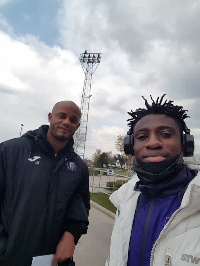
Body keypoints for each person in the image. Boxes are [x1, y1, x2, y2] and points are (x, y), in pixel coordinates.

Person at [106, 94, 200, 266]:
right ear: (130, 147)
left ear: (185, 145)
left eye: (165, 134)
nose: (153, 143)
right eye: (142, 137)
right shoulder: (124, 201)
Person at [0, 101, 90, 266]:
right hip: (8, 257)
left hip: (51, 260)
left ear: (77, 126)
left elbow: (80, 211)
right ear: (50, 117)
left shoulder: (79, 168)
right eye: (62, 116)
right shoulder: (9, 151)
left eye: (73, 120)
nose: (66, 122)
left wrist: (70, 236)